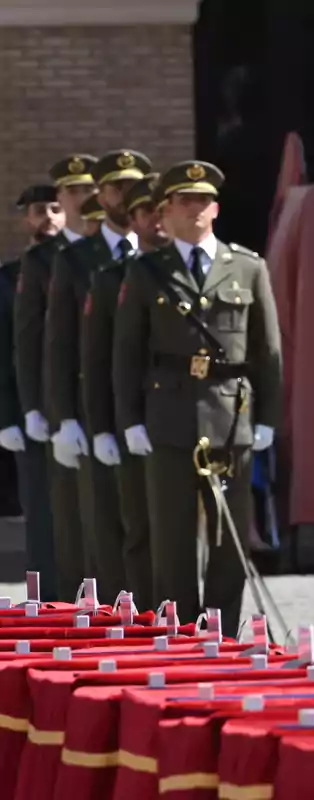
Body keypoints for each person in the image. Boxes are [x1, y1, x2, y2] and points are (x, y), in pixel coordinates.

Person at [113, 160, 282, 634]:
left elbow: (268, 350)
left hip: (230, 415)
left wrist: (269, 417)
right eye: (185, 203)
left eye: (203, 202)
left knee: (229, 538)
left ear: (217, 208)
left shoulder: (247, 267)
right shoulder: (147, 271)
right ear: (165, 212)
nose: (195, 211)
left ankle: (222, 631)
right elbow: (127, 352)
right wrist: (130, 420)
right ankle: (180, 631)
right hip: (168, 417)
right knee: (172, 536)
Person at [47, 149, 151, 599]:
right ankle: (112, 613)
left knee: (156, 521)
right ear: (101, 194)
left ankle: (159, 613)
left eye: (133, 186)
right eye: (115, 187)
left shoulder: (159, 252)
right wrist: (62, 416)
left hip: (153, 402)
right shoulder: (74, 259)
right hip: (96, 405)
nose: (124, 196)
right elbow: (59, 343)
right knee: (106, 522)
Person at [15, 155, 96, 602]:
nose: (80, 200)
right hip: (56, 402)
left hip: (108, 401)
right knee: (55, 514)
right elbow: (26, 344)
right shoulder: (41, 261)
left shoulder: (114, 250)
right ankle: (57, 603)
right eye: (72, 192)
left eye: (87, 191)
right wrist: (25, 408)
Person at [80, 174, 164, 607]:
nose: (157, 220)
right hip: (129, 415)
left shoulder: (186, 272)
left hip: (179, 414)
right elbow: (96, 361)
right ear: (132, 218)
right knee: (137, 528)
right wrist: (101, 427)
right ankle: (142, 615)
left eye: (160, 209)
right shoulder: (113, 279)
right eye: (146, 211)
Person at [0, 185, 63, 593]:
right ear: (27, 218)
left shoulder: (90, 271)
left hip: (81, 410)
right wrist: (7, 417)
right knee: (41, 515)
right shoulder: (8, 279)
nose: (49, 219)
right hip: (30, 411)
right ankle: (46, 604)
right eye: (40, 210)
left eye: (57, 209)